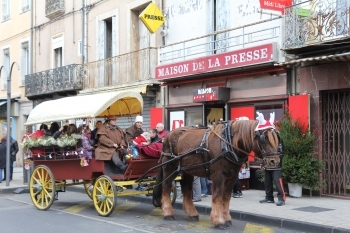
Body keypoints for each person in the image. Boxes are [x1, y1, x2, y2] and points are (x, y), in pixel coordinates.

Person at [259, 138, 286, 206]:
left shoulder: (278, 139)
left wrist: (275, 159)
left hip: (276, 164)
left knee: (278, 182)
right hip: (267, 164)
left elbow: (281, 152)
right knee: (267, 182)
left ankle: (281, 199)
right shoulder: (265, 140)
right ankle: (269, 197)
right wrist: (262, 163)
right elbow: (263, 152)